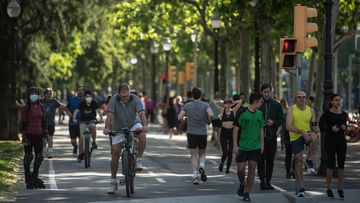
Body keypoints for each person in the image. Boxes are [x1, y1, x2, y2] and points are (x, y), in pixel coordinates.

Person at [103, 83, 148, 194]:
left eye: (127, 95)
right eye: (122, 96)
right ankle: (113, 182)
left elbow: (141, 114)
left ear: (129, 92)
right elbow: (109, 116)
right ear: (118, 94)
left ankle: (138, 160)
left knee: (142, 134)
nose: (125, 98)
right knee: (115, 153)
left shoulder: (135, 98)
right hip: (118, 127)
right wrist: (106, 128)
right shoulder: (113, 100)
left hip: (133, 124)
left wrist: (145, 125)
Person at [286, 91, 320, 197]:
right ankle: (301, 188)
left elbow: (314, 124)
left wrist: (318, 131)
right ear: (296, 99)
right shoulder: (291, 109)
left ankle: (309, 160)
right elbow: (288, 126)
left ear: (306, 99)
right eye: (299, 97)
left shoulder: (311, 110)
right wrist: (301, 131)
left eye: (304, 97)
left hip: (307, 135)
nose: (301, 99)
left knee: (315, 136)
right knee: (298, 161)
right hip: (295, 136)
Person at [178, 87, 213, 185]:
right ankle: (201, 166)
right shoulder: (205, 105)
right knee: (202, 153)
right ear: (201, 95)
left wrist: (185, 120)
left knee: (193, 154)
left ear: (192, 95)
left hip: (191, 132)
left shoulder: (187, 105)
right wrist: (208, 121)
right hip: (202, 132)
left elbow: (179, 117)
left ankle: (195, 175)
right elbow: (211, 115)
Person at [233, 93, 264, 201]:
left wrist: (262, 144)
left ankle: (247, 193)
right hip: (242, 146)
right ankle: (242, 183)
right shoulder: (242, 112)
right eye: (261, 102)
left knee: (252, 169)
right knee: (240, 170)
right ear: (255, 102)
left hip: (255, 147)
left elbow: (261, 129)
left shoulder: (260, 114)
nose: (261, 104)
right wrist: (235, 145)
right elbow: (235, 129)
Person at [319, 94, 348, 199]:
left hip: (341, 141)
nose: (338, 102)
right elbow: (321, 126)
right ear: (331, 102)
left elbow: (345, 126)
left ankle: (341, 189)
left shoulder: (344, 114)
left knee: (341, 165)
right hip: (330, 141)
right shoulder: (327, 114)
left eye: (339, 100)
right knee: (330, 165)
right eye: (336, 100)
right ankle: (328, 188)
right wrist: (331, 128)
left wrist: (344, 127)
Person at [257, 84, 285, 190]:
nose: (266, 94)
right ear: (261, 93)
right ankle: (262, 181)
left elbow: (282, 120)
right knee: (260, 159)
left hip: (271, 137)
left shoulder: (276, 105)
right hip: (259, 138)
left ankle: (268, 181)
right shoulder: (258, 105)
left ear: (271, 92)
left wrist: (273, 122)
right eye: (264, 92)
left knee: (270, 160)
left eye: (268, 91)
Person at [20, 87, 48, 189]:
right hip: (28, 135)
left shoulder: (41, 106)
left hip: (39, 134)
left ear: (38, 95)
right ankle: (28, 178)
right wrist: (24, 136)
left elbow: (44, 121)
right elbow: (23, 123)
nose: (33, 95)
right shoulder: (26, 107)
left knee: (39, 157)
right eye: (32, 93)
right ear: (29, 95)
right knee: (28, 157)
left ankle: (35, 176)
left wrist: (45, 134)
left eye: (35, 93)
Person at [73, 89, 103, 162]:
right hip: (83, 121)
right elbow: (76, 111)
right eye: (87, 96)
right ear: (85, 97)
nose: (88, 97)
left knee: (93, 127)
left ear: (92, 97)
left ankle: (94, 142)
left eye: (90, 96)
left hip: (92, 121)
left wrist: (101, 118)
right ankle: (80, 154)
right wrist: (74, 118)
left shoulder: (94, 103)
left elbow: (99, 111)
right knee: (81, 138)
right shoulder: (82, 103)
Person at [40, 88, 69, 158]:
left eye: (51, 93)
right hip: (42, 123)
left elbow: (62, 106)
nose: (50, 95)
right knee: (43, 138)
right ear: (45, 94)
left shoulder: (54, 101)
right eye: (49, 93)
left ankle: (50, 152)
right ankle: (43, 151)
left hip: (51, 123)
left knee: (50, 137)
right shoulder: (41, 101)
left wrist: (69, 112)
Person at [218, 97, 243, 174]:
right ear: (224, 104)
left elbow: (241, 101)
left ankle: (228, 168)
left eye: (229, 104)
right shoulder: (222, 111)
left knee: (230, 153)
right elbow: (214, 102)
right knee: (225, 152)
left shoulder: (234, 111)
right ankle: (222, 163)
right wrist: (223, 102)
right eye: (226, 103)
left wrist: (233, 102)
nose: (228, 105)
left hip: (231, 132)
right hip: (224, 132)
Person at [67, 85, 85, 158]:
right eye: (78, 90)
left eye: (81, 90)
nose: (80, 91)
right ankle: (75, 147)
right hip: (72, 123)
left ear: (84, 91)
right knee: (73, 141)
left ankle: (80, 155)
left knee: (81, 140)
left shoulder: (86, 100)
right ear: (76, 91)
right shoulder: (72, 99)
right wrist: (68, 113)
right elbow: (67, 108)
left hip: (82, 122)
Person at [279, 98, 295, 179]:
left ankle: (294, 170)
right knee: (288, 155)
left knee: (297, 154)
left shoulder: (297, 114)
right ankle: (288, 172)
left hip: (296, 137)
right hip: (287, 137)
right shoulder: (285, 115)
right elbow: (283, 126)